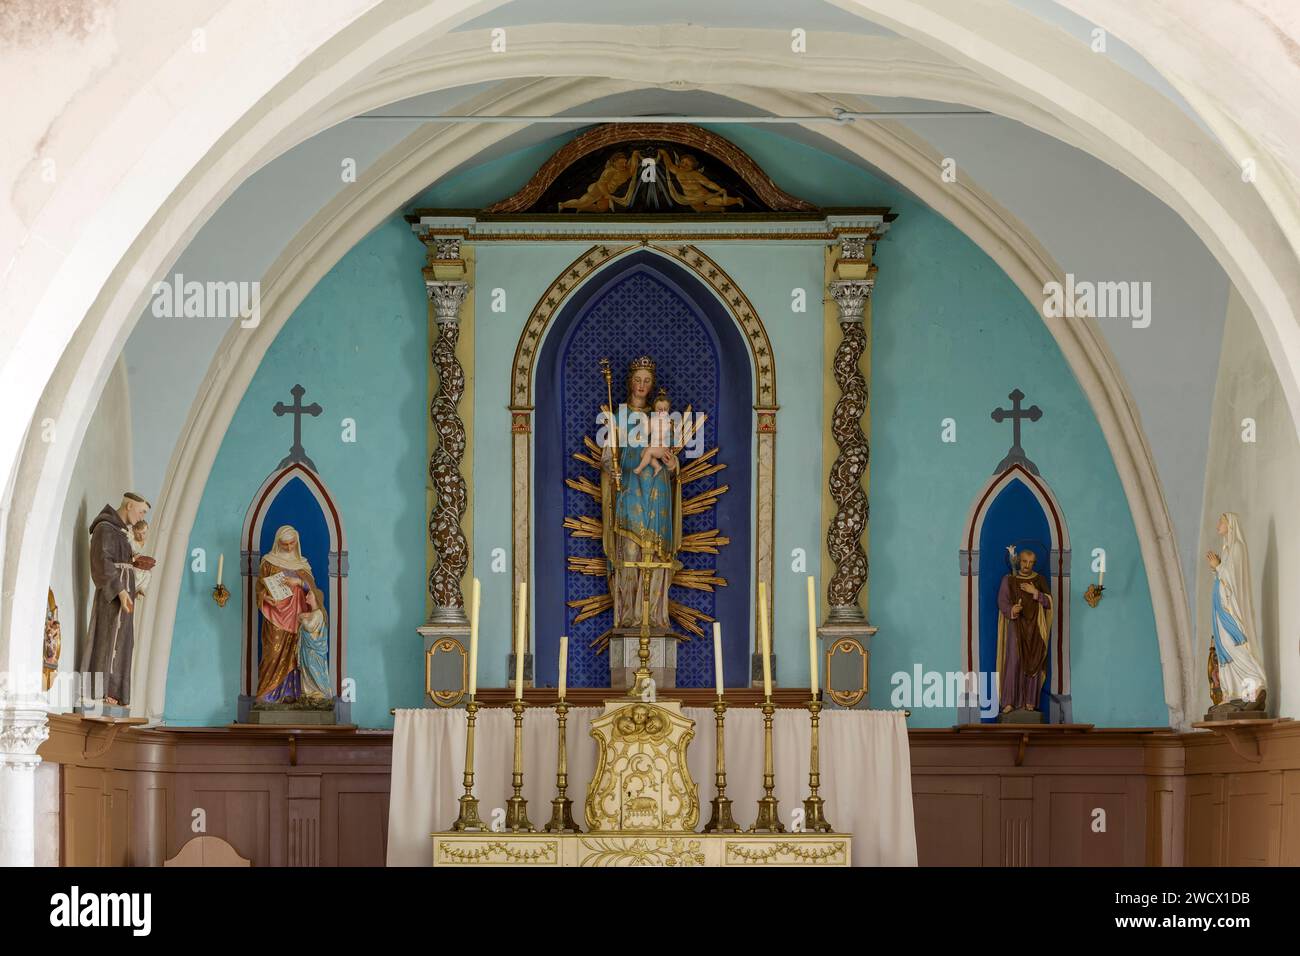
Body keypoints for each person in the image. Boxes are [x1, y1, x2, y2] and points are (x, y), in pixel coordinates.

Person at [82, 493, 154, 707]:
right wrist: (121, 591)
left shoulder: (123, 533)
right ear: (129, 505)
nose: (141, 517)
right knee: (109, 638)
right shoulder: (105, 528)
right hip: (112, 596)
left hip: (125, 592)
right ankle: (101, 692)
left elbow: (122, 561)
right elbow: (101, 561)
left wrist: (135, 578)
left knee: (124, 642)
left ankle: (115, 692)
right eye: (141, 511)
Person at [1206, 512, 1267, 709]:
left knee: (1235, 644)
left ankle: (1255, 683)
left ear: (1230, 525)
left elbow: (1234, 579)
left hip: (1231, 608)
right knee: (1224, 648)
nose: (1218, 526)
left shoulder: (1237, 548)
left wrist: (1219, 567)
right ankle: (1233, 692)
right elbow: (1225, 576)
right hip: (1221, 606)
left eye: (1221, 522)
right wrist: (1217, 568)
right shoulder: (1227, 551)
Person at [996, 547, 1052, 716]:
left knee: (1034, 662)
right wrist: (1013, 609)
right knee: (1013, 661)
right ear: (1018, 561)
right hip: (1016, 627)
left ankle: (1030, 701)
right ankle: (1009, 702)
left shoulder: (1039, 580)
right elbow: (1002, 601)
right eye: (1024, 561)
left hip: (1035, 628)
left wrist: (1035, 592)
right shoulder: (1009, 580)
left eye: (1031, 563)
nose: (1027, 565)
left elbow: (1049, 602)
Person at [633, 392, 676, 477]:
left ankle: (640, 468)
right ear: (654, 409)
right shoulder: (652, 420)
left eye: (665, 409)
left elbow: (671, 439)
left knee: (649, 451)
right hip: (653, 445)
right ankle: (657, 466)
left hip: (663, 448)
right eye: (660, 409)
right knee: (643, 454)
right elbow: (644, 433)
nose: (663, 412)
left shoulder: (669, 423)